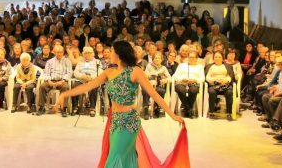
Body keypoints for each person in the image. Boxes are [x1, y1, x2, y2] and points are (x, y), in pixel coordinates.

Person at [53, 41, 184, 167]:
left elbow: (154, 94)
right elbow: (87, 86)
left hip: (129, 121)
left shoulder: (135, 71)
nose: (109, 54)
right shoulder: (109, 72)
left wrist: (172, 115)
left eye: (112, 52)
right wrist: (65, 94)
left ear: (119, 54)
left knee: (116, 157)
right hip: (115, 121)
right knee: (124, 157)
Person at [37, 45, 72, 117]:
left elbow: (69, 73)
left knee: (66, 87)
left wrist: (62, 80)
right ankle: (41, 107)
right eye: (57, 52)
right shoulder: (49, 61)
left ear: (63, 52)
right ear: (54, 52)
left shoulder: (67, 61)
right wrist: (49, 80)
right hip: (51, 80)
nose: (58, 54)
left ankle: (63, 108)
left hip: (62, 80)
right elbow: (46, 72)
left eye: (60, 52)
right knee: (42, 87)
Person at [172, 50, 205, 118]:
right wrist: (182, 79)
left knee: (193, 90)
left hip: (194, 83)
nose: (191, 59)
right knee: (180, 90)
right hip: (182, 83)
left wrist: (195, 80)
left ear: (196, 59)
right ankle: (190, 109)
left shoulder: (200, 67)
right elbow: (175, 76)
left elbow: (202, 78)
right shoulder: (181, 65)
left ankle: (186, 108)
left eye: (193, 57)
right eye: (190, 57)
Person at [205, 51, 236, 120]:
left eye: (219, 57)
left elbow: (230, 76)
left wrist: (225, 81)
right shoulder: (210, 66)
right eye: (216, 57)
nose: (217, 58)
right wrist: (214, 81)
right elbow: (207, 77)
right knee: (212, 92)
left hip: (225, 85)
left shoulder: (227, 66)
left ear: (222, 58)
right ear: (213, 58)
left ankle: (229, 113)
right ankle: (211, 112)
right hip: (214, 85)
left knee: (229, 92)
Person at [72, 46, 101, 117]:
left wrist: (91, 77)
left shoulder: (97, 61)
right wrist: (82, 76)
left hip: (92, 79)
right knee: (74, 86)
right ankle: (75, 107)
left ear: (92, 53)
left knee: (94, 87)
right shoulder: (80, 62)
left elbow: (100, 72)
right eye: (85, 53)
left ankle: (92, 108)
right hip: (81, 79)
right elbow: (75, 72)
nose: (87, 54)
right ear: (83, 54)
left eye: (89, 53)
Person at [143, 52, 171, 119]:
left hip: (158, 85)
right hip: (149, 84)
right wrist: (151, 76)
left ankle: (156, 107)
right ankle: (146, 109)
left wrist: (165, 80)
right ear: (153, 59)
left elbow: (170, 78)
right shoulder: (149, 66)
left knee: (161, 90)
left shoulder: (163, 68)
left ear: (161, 59)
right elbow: (145, 75)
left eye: (159, 58)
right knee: (145, 90)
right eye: (155, 58)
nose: (157, 59)